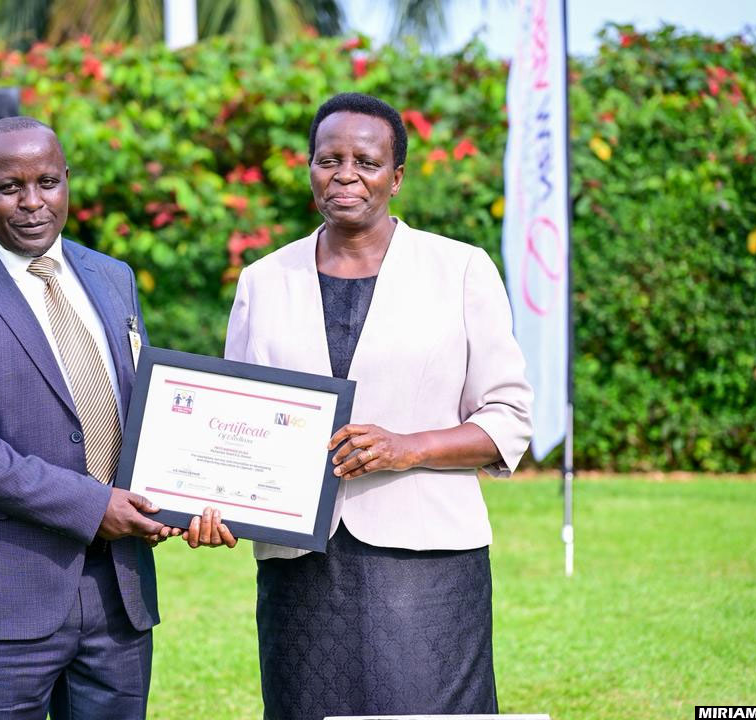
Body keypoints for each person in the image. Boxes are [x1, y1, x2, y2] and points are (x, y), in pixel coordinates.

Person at [0, 116, 234, 720]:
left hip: (118, 593)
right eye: (10, 187)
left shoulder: (113, 277)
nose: (33, 202)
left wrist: (185, 497)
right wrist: (92, 505)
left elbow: (146, 409)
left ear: (67, 182)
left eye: (48, 182)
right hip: (1, 590)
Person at [224, 93, 533, 719]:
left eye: (366, 162)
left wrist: (407, 447)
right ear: (310, 168)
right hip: (300, 567)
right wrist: (218, 501)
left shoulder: (461, 269)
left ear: (396, 177)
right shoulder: (263, 280)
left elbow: (509, 418)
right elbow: (239, 420)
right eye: (328, 160)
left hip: (427, 563)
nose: (345, 176)